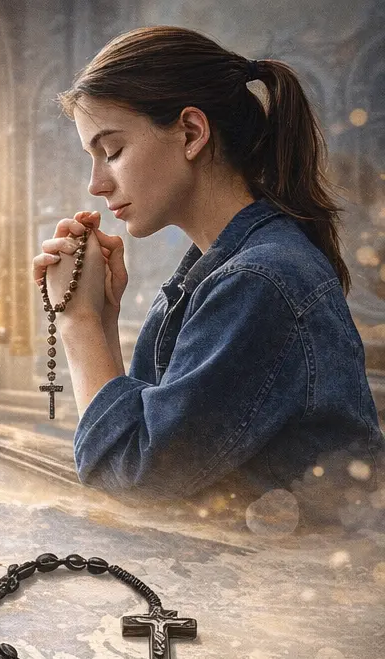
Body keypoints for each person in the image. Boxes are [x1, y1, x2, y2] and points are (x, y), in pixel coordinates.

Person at [37, 26, 382, 501]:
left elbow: (131, 473)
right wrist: (101, 315)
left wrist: (76, 320)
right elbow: (138, 440)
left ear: (192, 133)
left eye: (112, 151)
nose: (96, 184)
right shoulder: (209, 277)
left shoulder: (260, 281)